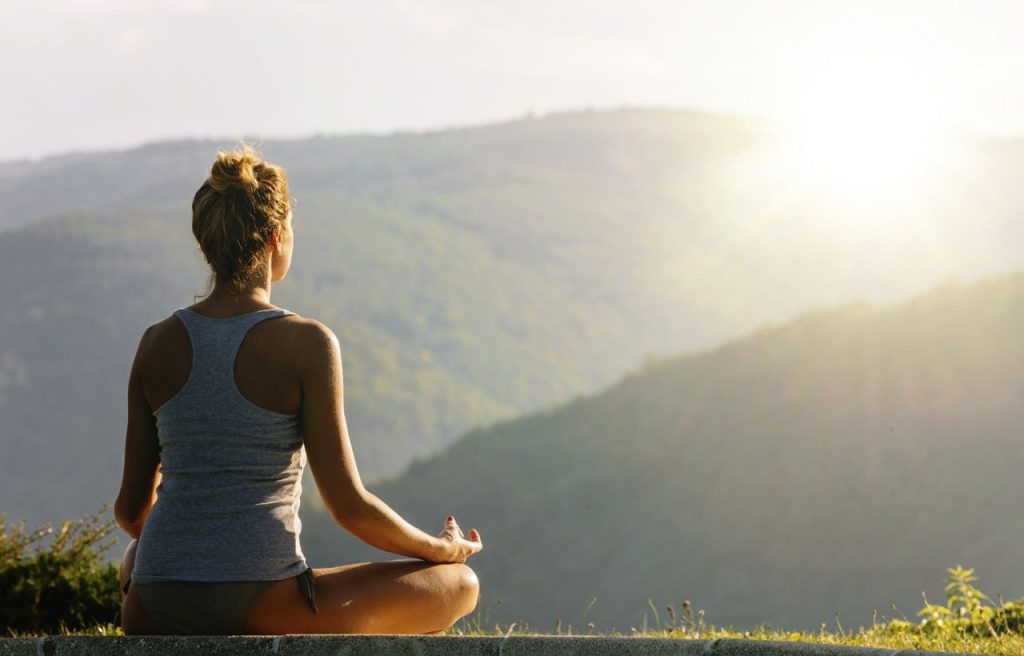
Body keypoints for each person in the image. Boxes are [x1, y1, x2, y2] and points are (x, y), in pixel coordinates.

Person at [114, 146, 482, 635]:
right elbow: (349, 506)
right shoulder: (307, 343)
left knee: (132, 555)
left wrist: (187, 556)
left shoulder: (155, 343)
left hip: (150, 605)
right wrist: (443, 550)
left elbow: (130, 510)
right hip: (259, 602)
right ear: (275, 237)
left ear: (206, 242)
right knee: (461, 584)